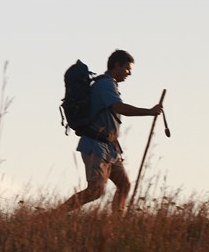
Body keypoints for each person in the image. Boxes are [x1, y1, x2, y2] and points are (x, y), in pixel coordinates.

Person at [57, 50, 162, 213]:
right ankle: (54, 214)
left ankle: (117, 222)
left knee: (124, 185)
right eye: (127, 68)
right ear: (117, 65)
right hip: (95, 145)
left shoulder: (109, 85)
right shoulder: (105, 84)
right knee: (95, 191)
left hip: (109, 149)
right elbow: (119, 107)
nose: (130, 73)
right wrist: (148, 111)